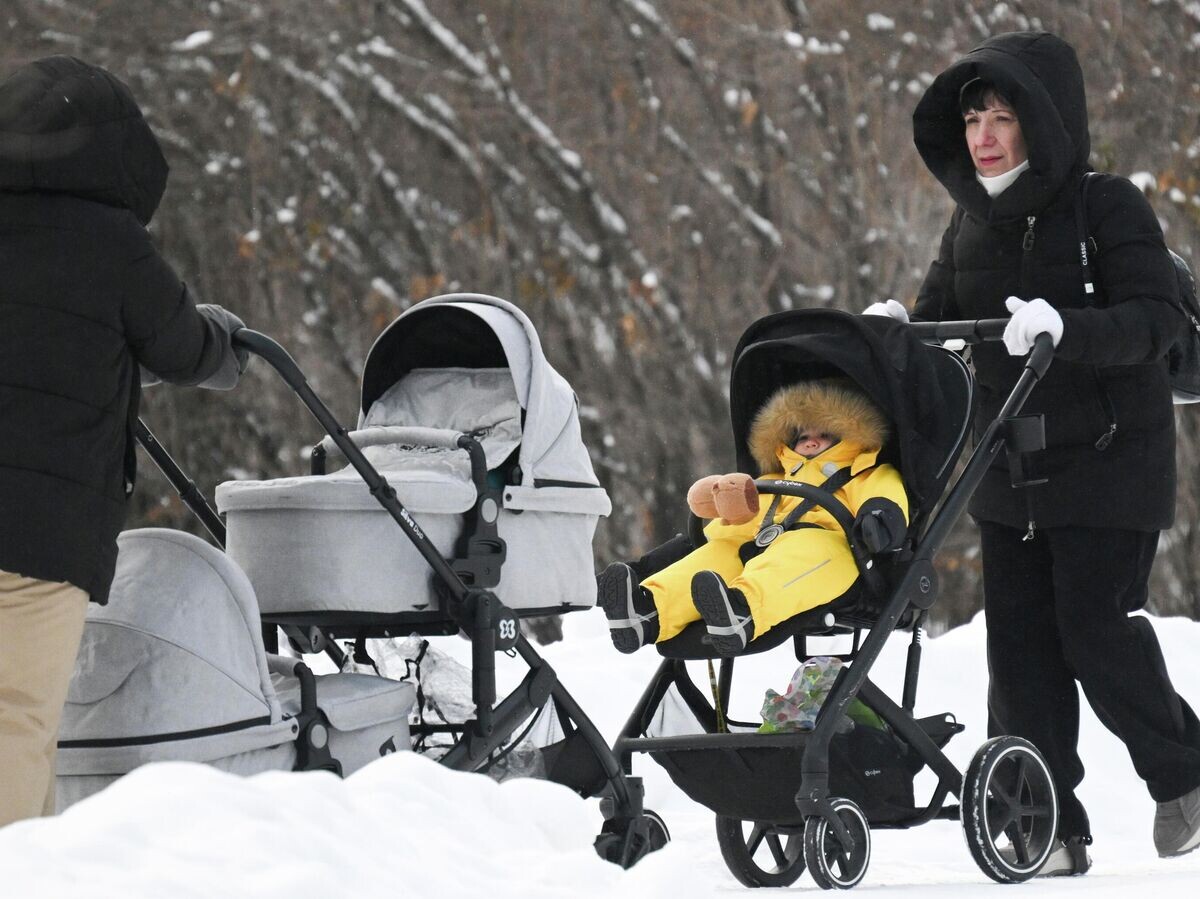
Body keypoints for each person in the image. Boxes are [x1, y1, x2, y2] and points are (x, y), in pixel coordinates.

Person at [866, 30, 1200, 873]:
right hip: (1007, 473)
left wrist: (1066, 331)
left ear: (1042, 123)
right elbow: (936, 317)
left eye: (1002, 115)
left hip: (1109, 465)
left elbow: (1156, 323)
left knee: (1094, 632)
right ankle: (1043, 824)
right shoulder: (969, 221)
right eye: (973, 115)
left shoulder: (1108, 205)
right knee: (1017, 653)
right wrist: (899, 335)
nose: (982, 133)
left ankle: (1186, 773)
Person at [0, 56, 248, 828]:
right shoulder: (110, 243)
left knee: (28, 736)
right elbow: (182, 347)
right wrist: (227, 339)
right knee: (18, 720)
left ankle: (39, 872)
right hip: (39, 536)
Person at [597, 378, 908, 655]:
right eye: (802, 435)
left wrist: (879, 519)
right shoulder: (773, 478)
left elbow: (886, 496)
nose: (811, 440)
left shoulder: (865, 471)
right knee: (715, 555)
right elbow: (728, 526)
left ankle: (741, 611)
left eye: (824, 433)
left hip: (832, 547)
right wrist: (721, 503)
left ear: (851, 431)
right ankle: (646, 612)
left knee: (798, 555)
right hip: (757, 541)